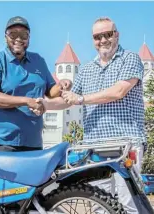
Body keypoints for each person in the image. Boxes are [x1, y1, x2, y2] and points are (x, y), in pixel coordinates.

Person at [38, 17, 146, 214]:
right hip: (95, 146)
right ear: (93, 40)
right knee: (99, 205)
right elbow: (67, 100)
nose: (103, 40)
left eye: (108, 34)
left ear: (117, 35)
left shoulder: (130, 58)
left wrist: (81, 99)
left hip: (125, 143)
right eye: (98, 36)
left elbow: (118, 92)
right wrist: (45, 105)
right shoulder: (86, 68)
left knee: (129, 203)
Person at [0, 16, 71, 152]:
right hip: (3, 142)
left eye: (23, 35)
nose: (18, 39)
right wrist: (26, 101)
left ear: (29, 38)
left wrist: (62, 84)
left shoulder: (38, 60)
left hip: (33, 142)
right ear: (5, 37)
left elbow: (50, 92)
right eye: (13, 34)